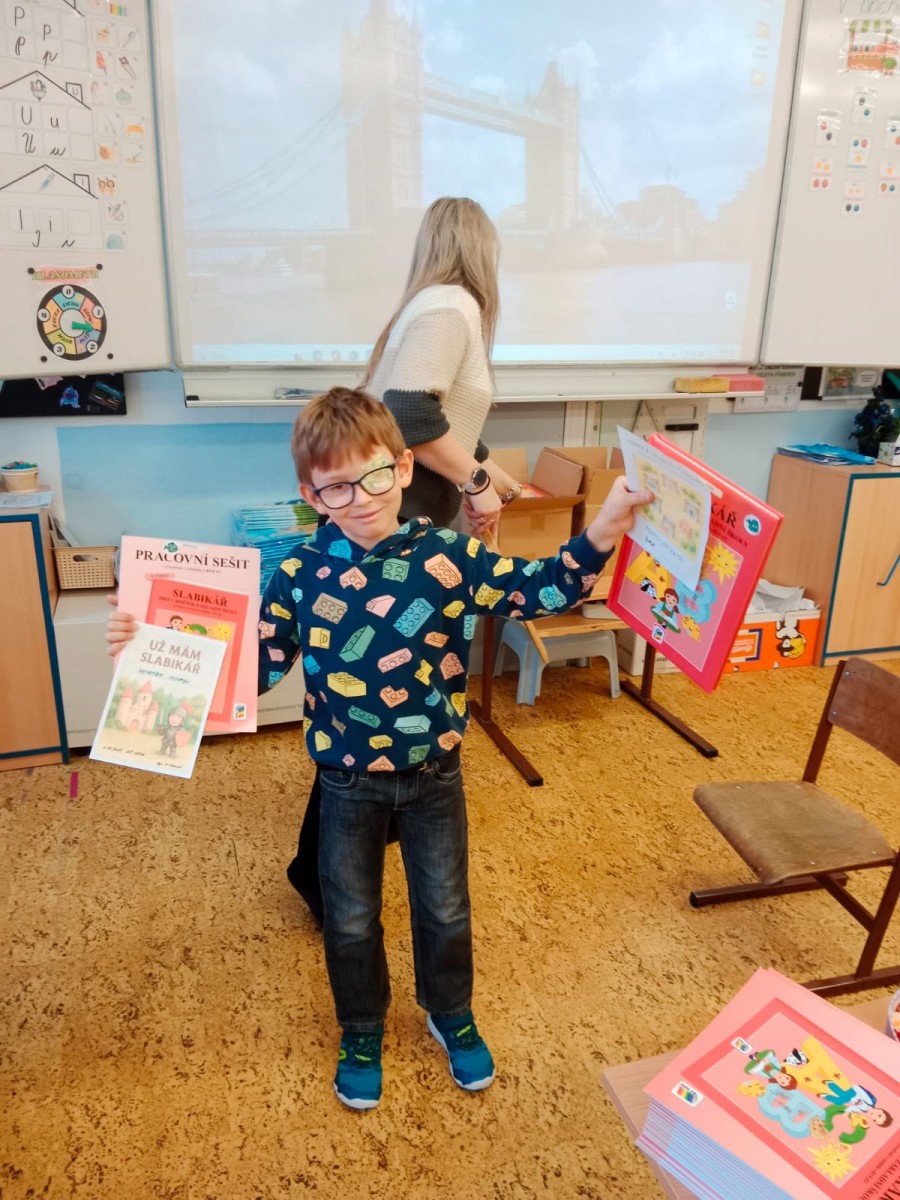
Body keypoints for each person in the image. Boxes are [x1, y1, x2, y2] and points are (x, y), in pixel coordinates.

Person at [108, 387, 651, 1110]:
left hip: (434, 775)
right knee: (350, 916)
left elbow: (540, 589)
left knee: (445, 909)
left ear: (402, 468)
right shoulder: (299, 575)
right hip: (345, 781)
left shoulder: (450, 557)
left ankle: (449, 1013)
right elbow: (254, 670)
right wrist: (151, 648)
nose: (360, 499)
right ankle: (361, 1028)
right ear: (312, 496)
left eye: (372, 477)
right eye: (336, 488)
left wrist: (606, 526)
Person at [286, 197, 521, 923]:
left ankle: (326, 868)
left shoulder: (428, 306)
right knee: (372, 704)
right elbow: (411, 417)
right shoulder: (452, 309)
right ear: (483, 251)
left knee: (372, 700)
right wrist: (475, 484)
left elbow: (437, 421)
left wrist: (486, 465)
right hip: (396, 532)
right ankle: (321, 876)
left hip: (397, 529)